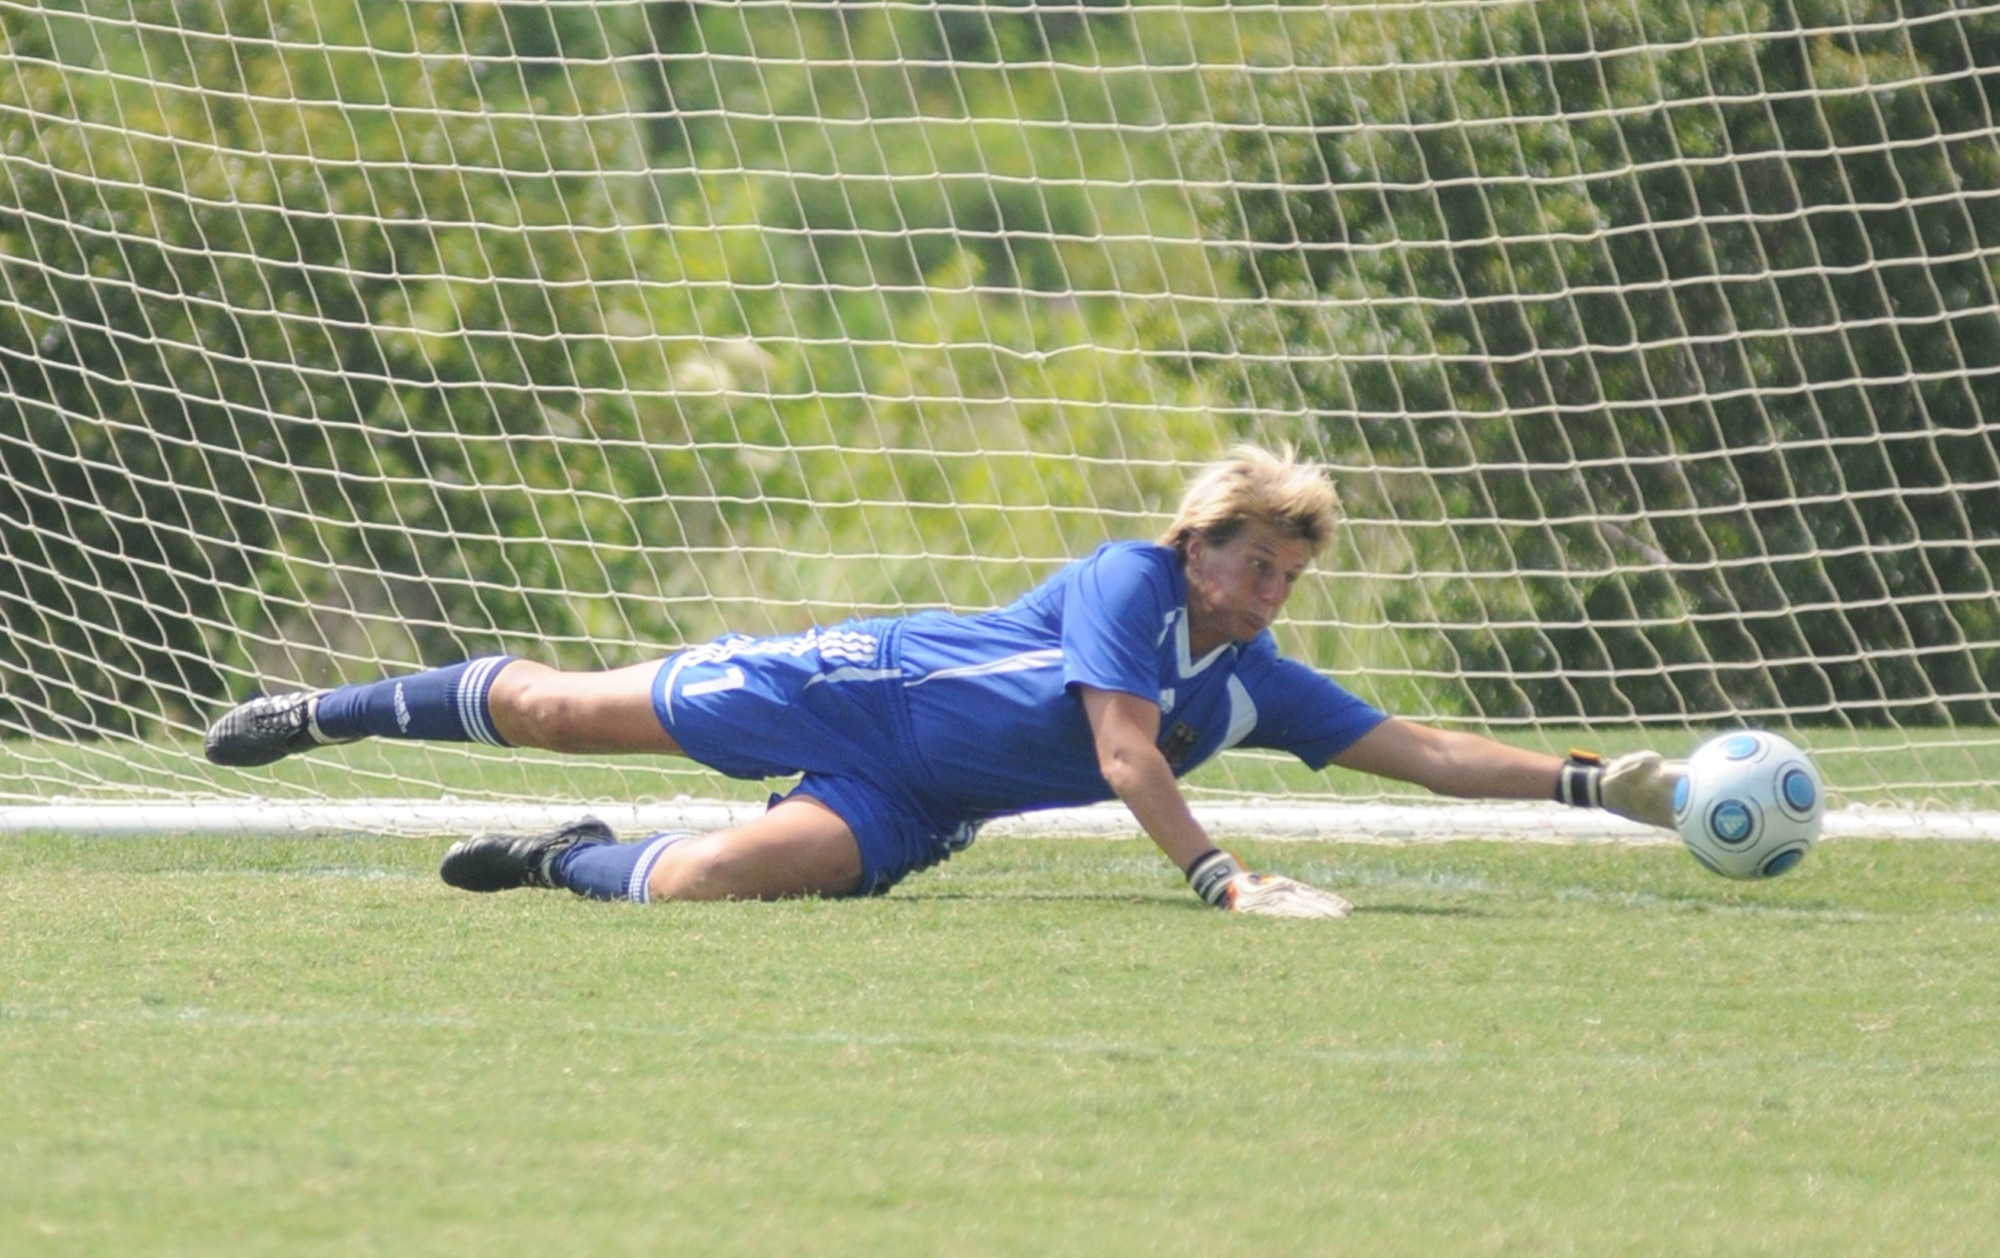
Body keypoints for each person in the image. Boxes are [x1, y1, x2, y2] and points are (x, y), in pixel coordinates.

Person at [203, 446, 1682, 918]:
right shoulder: (1126, 579)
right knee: (549, 706)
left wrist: (1591, 783)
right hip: (843, 688)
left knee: (704, 885)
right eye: (1260, 562)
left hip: (918, 799)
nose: (1275, 589)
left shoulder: (1257, 686)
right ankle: (316, 711)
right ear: (1201, 543)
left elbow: (1418, 750)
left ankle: (565, 857)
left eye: (1294, 572)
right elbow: (1121, 754)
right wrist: (1231, 880)